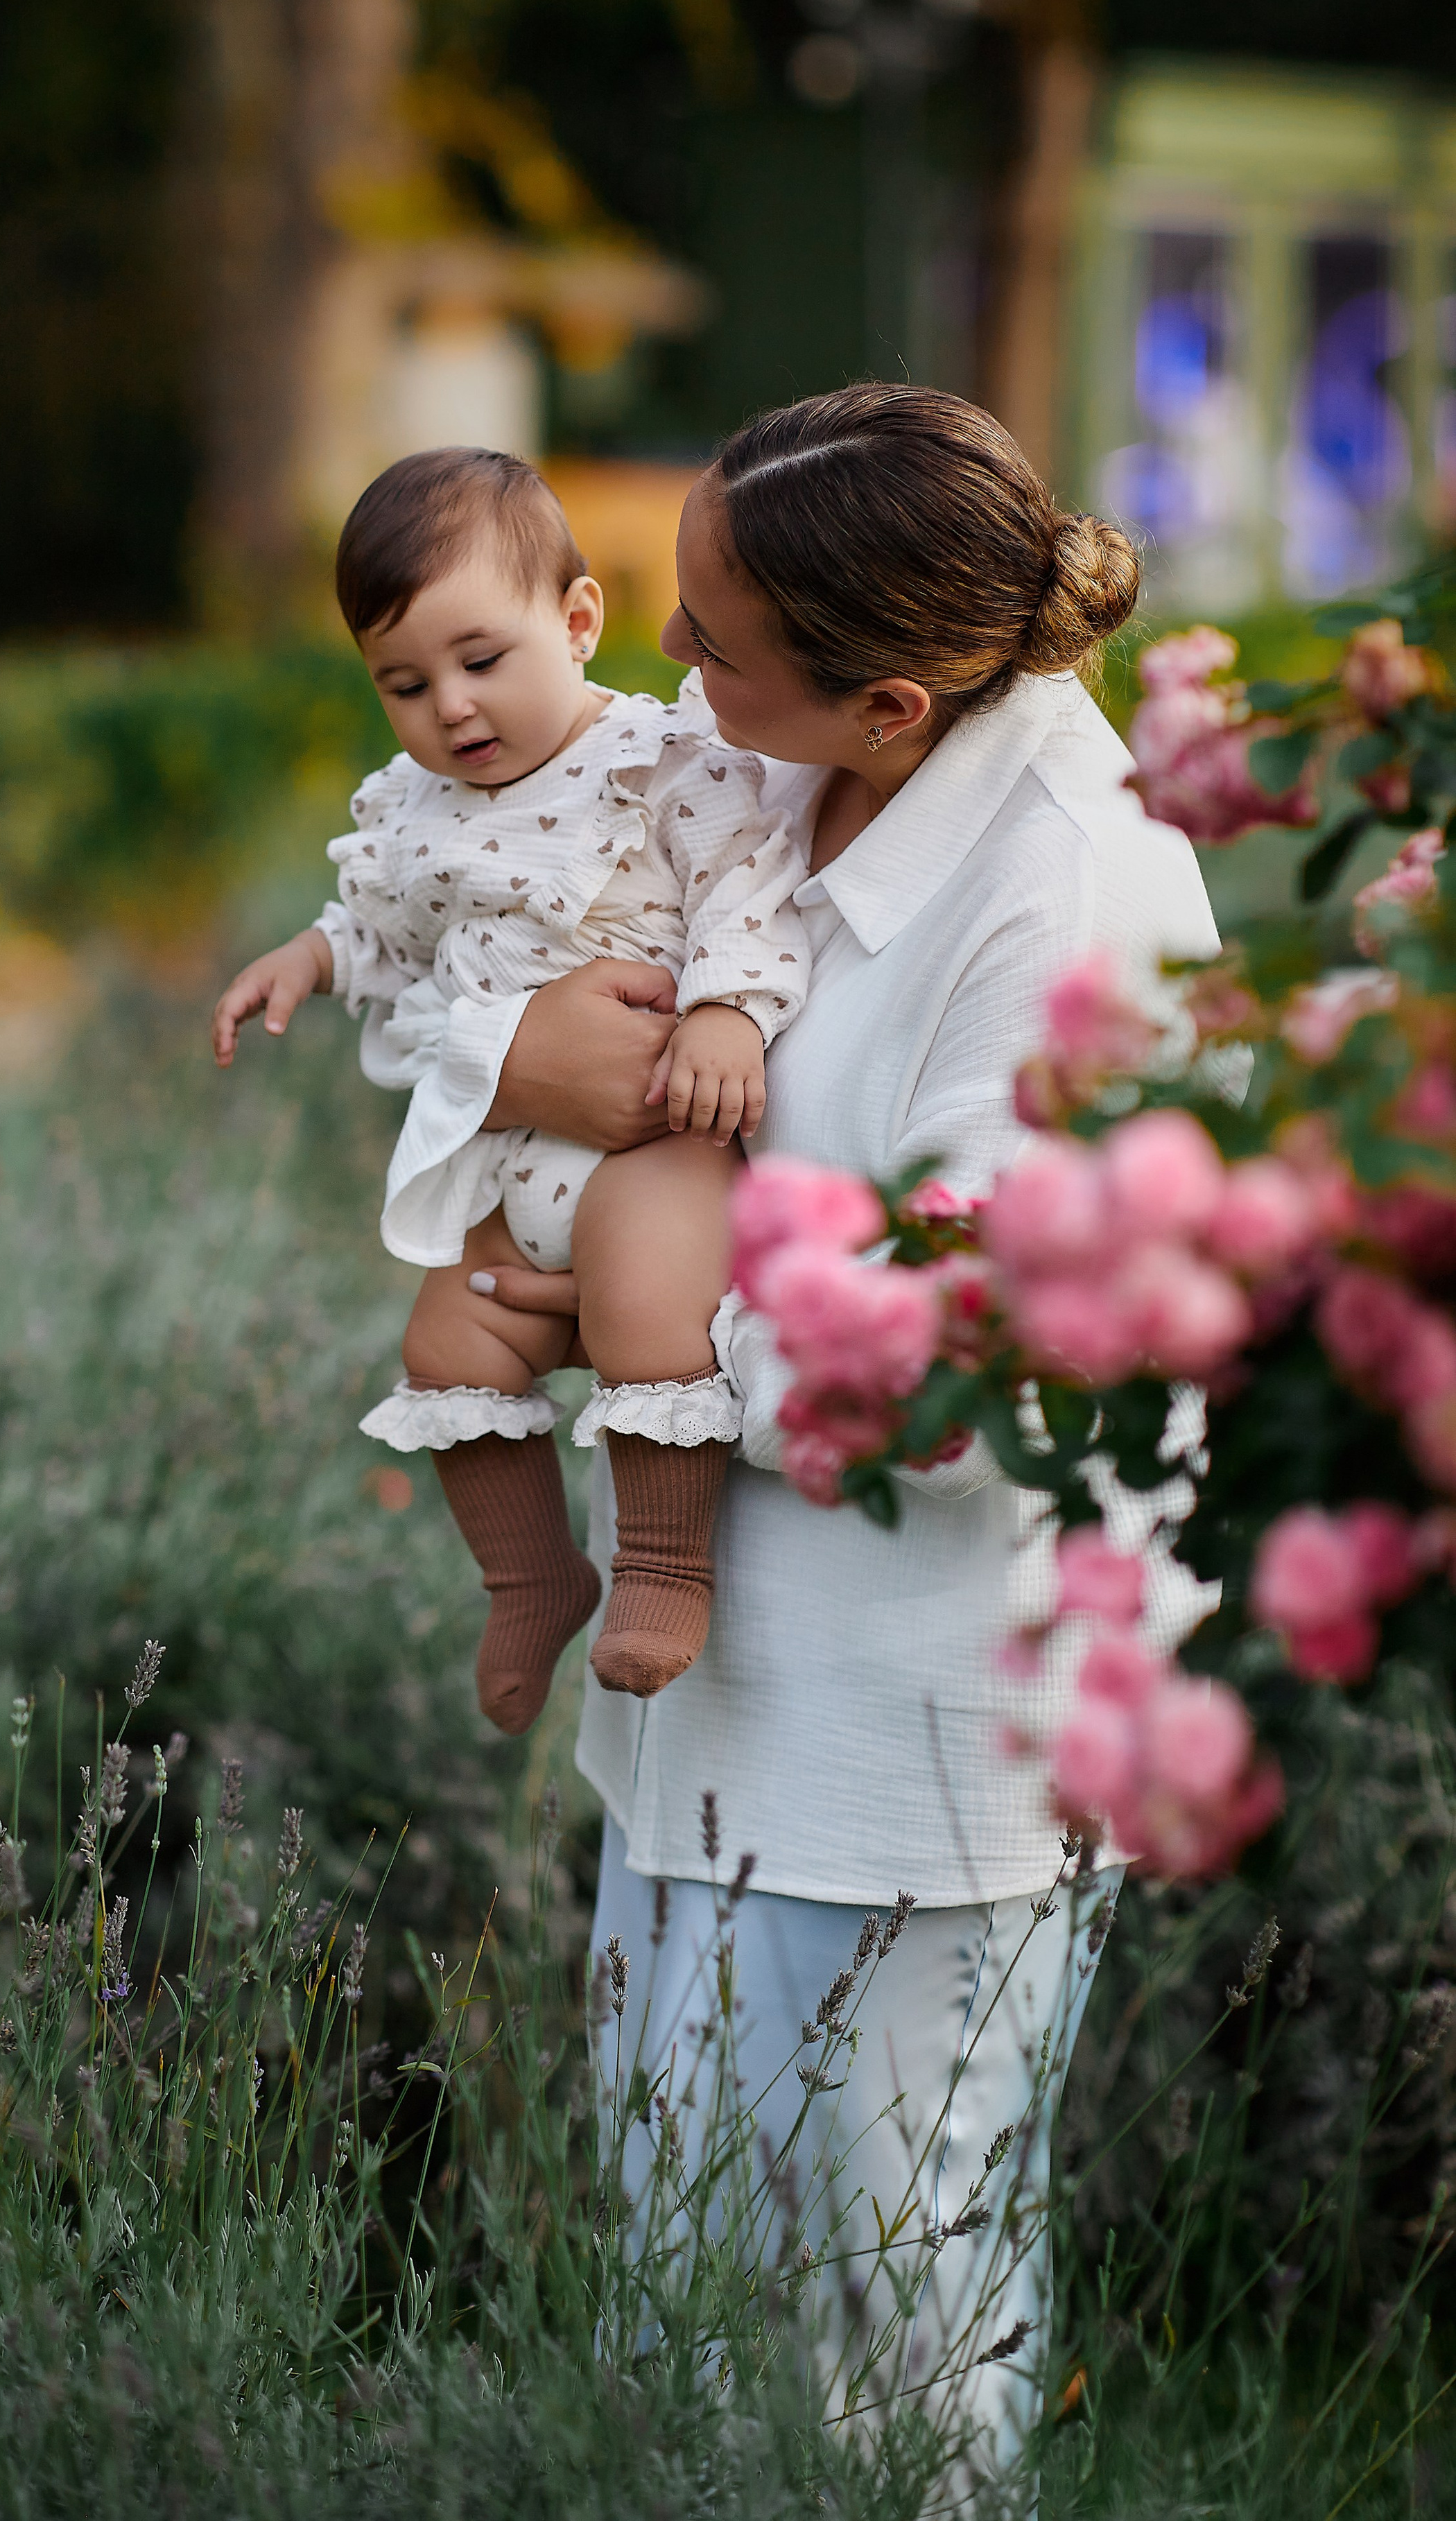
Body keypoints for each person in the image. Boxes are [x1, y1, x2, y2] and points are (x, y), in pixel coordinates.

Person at [437, 385, 1224, 2486]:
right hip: (709, 1714)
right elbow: (514, 950)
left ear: (890, 693)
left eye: (711, 640)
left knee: (887, 2343)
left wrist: (638, 1349)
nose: (664, 674)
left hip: (913, 1745)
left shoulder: (1077, 910)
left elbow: (1005, 1375)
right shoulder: (780, 776)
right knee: (687, 2317)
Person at [212, 448, 811, 1737]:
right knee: (448, 1346)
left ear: (579, 622)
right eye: (407, 684)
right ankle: (532, 1577)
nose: (453, 709)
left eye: (483, 661)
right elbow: (374, 923)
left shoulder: (661, 762)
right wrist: (305, 962)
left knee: (653, 1306)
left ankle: (660, 1564)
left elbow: (748, 882)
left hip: (653, 1130)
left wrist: (722, 1011)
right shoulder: (414, 808)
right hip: (512, 1149)